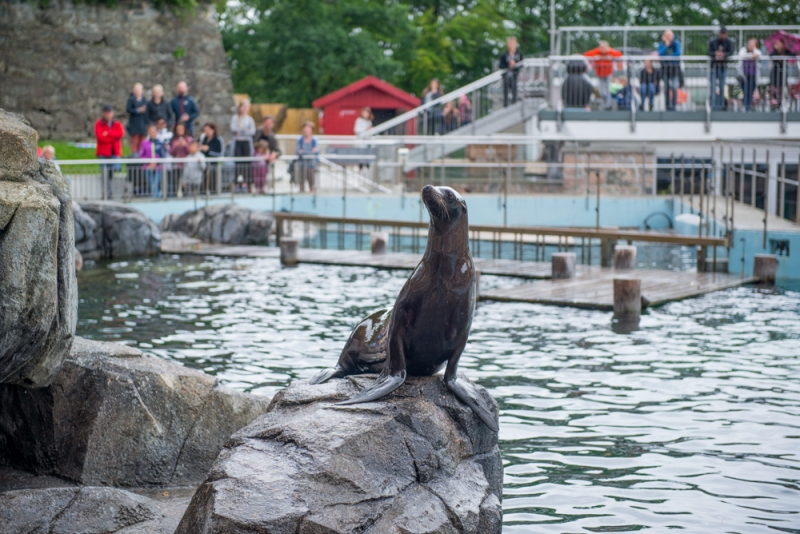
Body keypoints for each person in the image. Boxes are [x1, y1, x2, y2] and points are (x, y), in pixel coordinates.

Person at [95, 104, 125, 199]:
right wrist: (113, 137)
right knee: (104, 173)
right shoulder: (99, 123)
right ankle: (108, 193)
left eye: (110, 112)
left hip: (114, 152)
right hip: (103, 153)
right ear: (104, 113)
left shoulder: (117, 123)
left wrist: (108, 134)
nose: (108, 114)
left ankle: (108, 191)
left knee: (112, 172)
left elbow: (120, 134)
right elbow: (100, 137)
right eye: (106, 112)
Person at [584, 40, 623, 110]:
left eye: (604, 47)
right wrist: (596, 57)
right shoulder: (597, 51)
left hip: (608, 73)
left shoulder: (610, 51)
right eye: (601, 47)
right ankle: (606, 103)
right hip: (600, 74)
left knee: (607, 89)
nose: (603, 49)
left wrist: (611, 57)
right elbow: (587, 54)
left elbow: (619, 54)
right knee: (602, 91)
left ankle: (608, 105)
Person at [707, 26, 735, 111]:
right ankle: (713, 105)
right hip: (713, 67)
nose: (723, 35)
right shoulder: (713, 41)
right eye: (721, 33)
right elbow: (708, 52)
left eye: (724, 34)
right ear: (719, 33)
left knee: (722, 87)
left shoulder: (729, 42)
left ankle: (722, 105)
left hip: (723, 67)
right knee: (713, 87)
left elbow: (731, 52)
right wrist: (716, 53)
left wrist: (723, 54)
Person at [230, 100, 256, 191]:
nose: (244, 109)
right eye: (242, 107)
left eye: (246, 107)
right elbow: (233, 129)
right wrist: (245, 130)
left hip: (246, 143)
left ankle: (247, 183)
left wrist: (241, 131)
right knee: (238, 162)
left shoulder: (250, 119)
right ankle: (237, 183)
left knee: (247, 162)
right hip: (237, 142)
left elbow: (252, 131)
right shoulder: (235, 118)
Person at [138, 124, 166, 198]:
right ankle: (155, 196)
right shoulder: (144, 143)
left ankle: (155, 198)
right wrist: (149, 162)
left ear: (157, 132)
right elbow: (141, 156)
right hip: (147, 167)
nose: (152, 133)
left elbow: (163, 155)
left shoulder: (160, 143)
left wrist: (156, 162)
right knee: (150, 183)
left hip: (158, 167)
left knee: (155, 183)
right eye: (150, 131)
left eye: (154, 131)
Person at [658, 29, 682, 111]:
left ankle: (674, 105)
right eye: (667, 35)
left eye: (669, 35)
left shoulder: (676, 43)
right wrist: (666, 46)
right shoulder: (662, 44)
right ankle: (667, 105)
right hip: (665, 69)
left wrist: (668, 58)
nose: (668, 37)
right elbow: (660, 54)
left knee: (674, 87)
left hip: (674, 68)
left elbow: (678, 53)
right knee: (667, 88)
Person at [738, 38, 762, 111]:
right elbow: (742, 55)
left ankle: (748, 106)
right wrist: (752, 56)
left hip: (753, 75)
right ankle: (746, 107)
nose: (750, 46)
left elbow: (759, 55)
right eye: (749, 44)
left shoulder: (757, 51)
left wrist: (754, 53)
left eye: (752, 44)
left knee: (751, 91)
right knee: (746, 91)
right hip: (744, 75)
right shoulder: (743, 50)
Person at [499, 36, 524, 107]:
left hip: (515, 75)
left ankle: (514, 103)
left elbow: (522, 63)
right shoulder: (504, 55)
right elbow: (501, 65)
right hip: (506, 75)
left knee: (514, 86)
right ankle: (506, 105)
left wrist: (515, 64)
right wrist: (508, 65)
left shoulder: (519, 54)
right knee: (506, 86)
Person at [769, 38, 794, 111]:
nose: (778, 45)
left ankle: (778, 105)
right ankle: (773, 102)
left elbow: (793, 54)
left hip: (783, 73)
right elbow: (771, 56)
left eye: (779, 43)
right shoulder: (774, 51)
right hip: (775, 72)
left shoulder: (786, 51)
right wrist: (776, 51)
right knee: (773, 88)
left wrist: (784, 56)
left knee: (780, 89)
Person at [169, 123, 192, 197]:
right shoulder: (174, 140)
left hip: (187, 165)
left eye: (181, 129)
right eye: (178, 129)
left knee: (185, 182)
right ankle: (175, 194)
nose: (180, 131)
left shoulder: (189, 139)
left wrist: (185, 145)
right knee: (176, 181)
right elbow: (171, 152)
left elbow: (191, 151)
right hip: (177, 165)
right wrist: (176, 146)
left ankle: (186, 194)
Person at [199, 122, 224, 190]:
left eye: (208, 130)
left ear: (213, 130)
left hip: (214, 165)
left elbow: (220, 153)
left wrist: (209, 150)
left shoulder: (218, 139)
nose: (207, 132)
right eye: (205, 130)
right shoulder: (203, 138)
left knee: (213, 180)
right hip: (204, 164)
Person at [295, 121, 318, 193]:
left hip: (311, 165)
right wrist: (309, 152)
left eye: (308, 129)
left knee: (311, 181)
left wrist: (304, 152)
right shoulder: (300, 140)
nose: (306, 131)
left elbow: (316, 152)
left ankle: (312, 193)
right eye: (305, 129)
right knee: (301, 182)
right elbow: (297, 151)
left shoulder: (314, 140)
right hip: (301, 164)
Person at [125, 83, 148, 153]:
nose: (137, 91)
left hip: (142, 124)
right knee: (134, 142)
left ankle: (142, 159)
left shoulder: (144, 100)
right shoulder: (131, 100)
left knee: (142, 143)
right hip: (134, 125)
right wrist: (138, 110)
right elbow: (128, 110)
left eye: (138, 89)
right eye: (135, 89)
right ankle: (134, 158)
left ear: (142, 90)